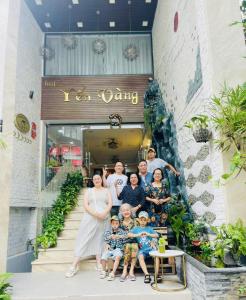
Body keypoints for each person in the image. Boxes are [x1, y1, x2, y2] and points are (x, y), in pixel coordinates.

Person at [65, 174, 112, 278]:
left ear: (101, 180)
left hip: (104, 218)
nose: (97, 180)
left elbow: (110, 204)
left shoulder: (106, 190)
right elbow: (86, 205)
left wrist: (103, 214)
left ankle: (99, 263)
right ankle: (73, 266)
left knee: (100, 239)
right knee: (85, 239)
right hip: (91, 217)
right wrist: (96, 214)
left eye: (98, 178)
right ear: (93, 181)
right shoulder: (89, 191)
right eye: (95, 179)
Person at [128, 211, 159, 284]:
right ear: (138, 220)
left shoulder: (149, 228)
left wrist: (149, 234)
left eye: (144, 220)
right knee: (140, 257)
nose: (142, 222)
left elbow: (157, 235)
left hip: (151, 248)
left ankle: (157, 274)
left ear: (147, 220)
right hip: (142, 250)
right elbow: (129, 234)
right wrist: (137, 235)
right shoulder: (136, 229)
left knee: (157, 256)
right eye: (141, 220)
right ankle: (146, 274)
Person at [100, 215, 126, 281]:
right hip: (110, 249)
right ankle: (103, 271)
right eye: (113, 223)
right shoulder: (108, 232)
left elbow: (125, 238)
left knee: (117, 256)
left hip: (118, 249)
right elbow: (105, 239)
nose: (115, 225)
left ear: (119, 224)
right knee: (103, 257)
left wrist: (119, 236)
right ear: (111, 224)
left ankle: (113, 273)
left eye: (116, 223)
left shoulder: (121, 231)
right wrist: (110, 237)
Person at [118, 203, 138, 282]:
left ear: (131, 211)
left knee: (133, 246)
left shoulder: (135, 221)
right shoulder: (119, 222)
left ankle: (131, 271)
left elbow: (139, 232)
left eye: (127, 210)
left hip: (134, 242)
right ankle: (125, 270)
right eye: (124, 210)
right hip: (123, 243)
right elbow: (117, 234)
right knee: (127, 246)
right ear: (121, 213)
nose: (126, 212)